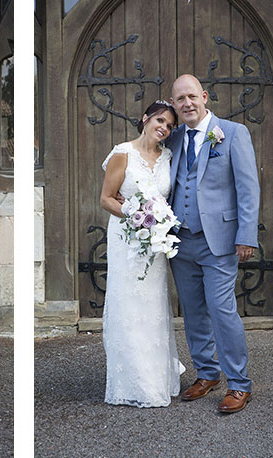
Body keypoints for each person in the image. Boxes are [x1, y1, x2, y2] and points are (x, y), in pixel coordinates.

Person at [168, 74, 260, 413]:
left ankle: (238, 384)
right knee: (192, 313)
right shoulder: (174, 137)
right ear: (175, 105)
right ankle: (207, 374)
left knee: (223, 312)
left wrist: (246, 235)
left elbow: (248, 188)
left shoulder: (233, 133)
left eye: (192, 96)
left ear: (204, 96)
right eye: (180, 99)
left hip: (219, 241)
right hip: (181, 242)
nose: (187, 103)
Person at [100, 100, 185, 407]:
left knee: (153, 306)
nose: (163, 128)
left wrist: (158, 222)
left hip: (156, 242)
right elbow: (106, 199)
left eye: (170, 125)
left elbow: (168, 197)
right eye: (160, 120)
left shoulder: (169, 157)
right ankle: (133, 381)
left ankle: (157, 375)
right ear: (145, 118)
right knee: (128, 304)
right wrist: (136, 215)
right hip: (127, 240)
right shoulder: (122, 153)